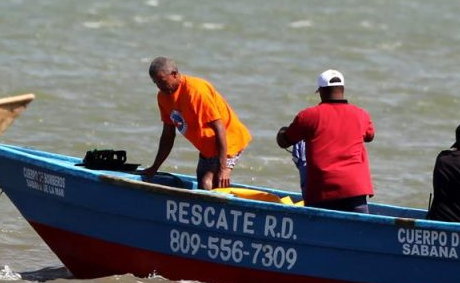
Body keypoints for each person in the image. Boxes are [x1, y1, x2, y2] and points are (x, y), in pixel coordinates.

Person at [139, 57, 252, 190]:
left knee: (207, 183)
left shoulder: (196, 92)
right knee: (203, 184)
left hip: (229, 141)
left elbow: (219, 128)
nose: (160, 87)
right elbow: (167, 136)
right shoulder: (163, 97)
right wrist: (154, 167)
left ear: (174, 74)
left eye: (163, 81)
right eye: (156, 83)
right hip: (208, 149)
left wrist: (223, 169)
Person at [275, 69, 375, 211]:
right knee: (359, 231)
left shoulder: (308, 116)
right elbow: (370, 136)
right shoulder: (362, 115)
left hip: (323, 192)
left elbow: (284, 141)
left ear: (321, 91)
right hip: (356, 190)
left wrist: (282, 132)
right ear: (343, 90)